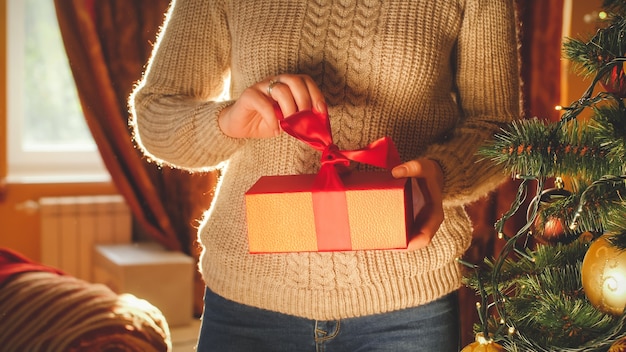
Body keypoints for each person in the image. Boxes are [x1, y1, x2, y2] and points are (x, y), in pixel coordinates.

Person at [129, 1, 520, 351]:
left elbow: (497, 129)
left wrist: (442, 173)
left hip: (407, 306)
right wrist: (227, 121)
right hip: (247, 302)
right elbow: (155, 113)